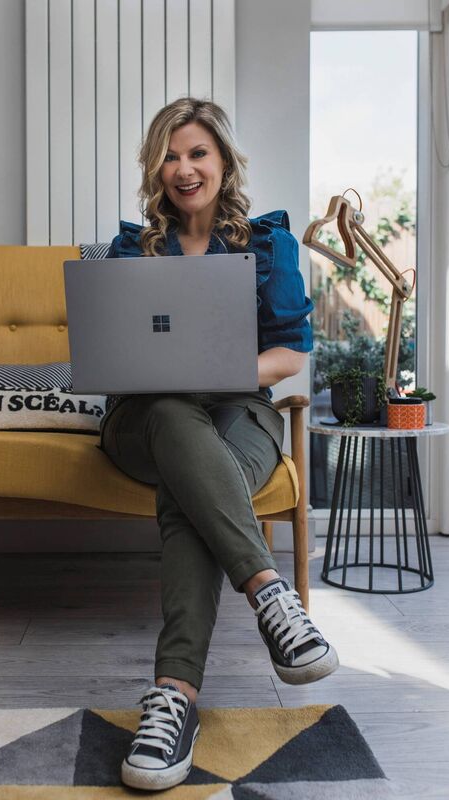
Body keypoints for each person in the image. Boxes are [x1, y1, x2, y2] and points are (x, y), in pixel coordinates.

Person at [98, 96, 339, 792]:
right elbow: (115, 357)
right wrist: (169, 375)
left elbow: (290, 354)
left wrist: (213, 370)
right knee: (174, 413)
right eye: (170, 156)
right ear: (155, 169)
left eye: (197, 152)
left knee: (193, 487)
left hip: (240, 413)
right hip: (146, 417)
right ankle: (269, 593)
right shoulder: (130, 249)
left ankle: (173, 699)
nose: (184, 168)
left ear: (224, 161)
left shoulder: (268, 244)